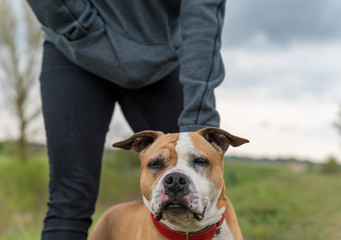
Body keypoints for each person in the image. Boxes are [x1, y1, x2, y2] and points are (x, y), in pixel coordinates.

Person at [26, 0, 226, 239]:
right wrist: (77, 25)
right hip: (73, 49)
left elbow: (202, 11)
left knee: (201, 187)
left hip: (163, 58)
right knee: (69, 200)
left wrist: (198, 124)